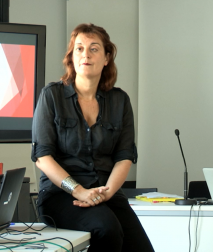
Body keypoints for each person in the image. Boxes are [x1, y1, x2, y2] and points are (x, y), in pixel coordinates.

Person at [31, 23, 154, 252]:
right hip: (62, 196)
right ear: (72, 56)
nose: (85, 54)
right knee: (106, 229)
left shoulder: (120, 101)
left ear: (107, 57)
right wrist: (79, 190)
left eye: (94, 48)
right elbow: (42, 157)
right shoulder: (52, 96)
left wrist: (105, 192)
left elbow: (125, 155)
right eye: (79, 48)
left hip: (105, 193)